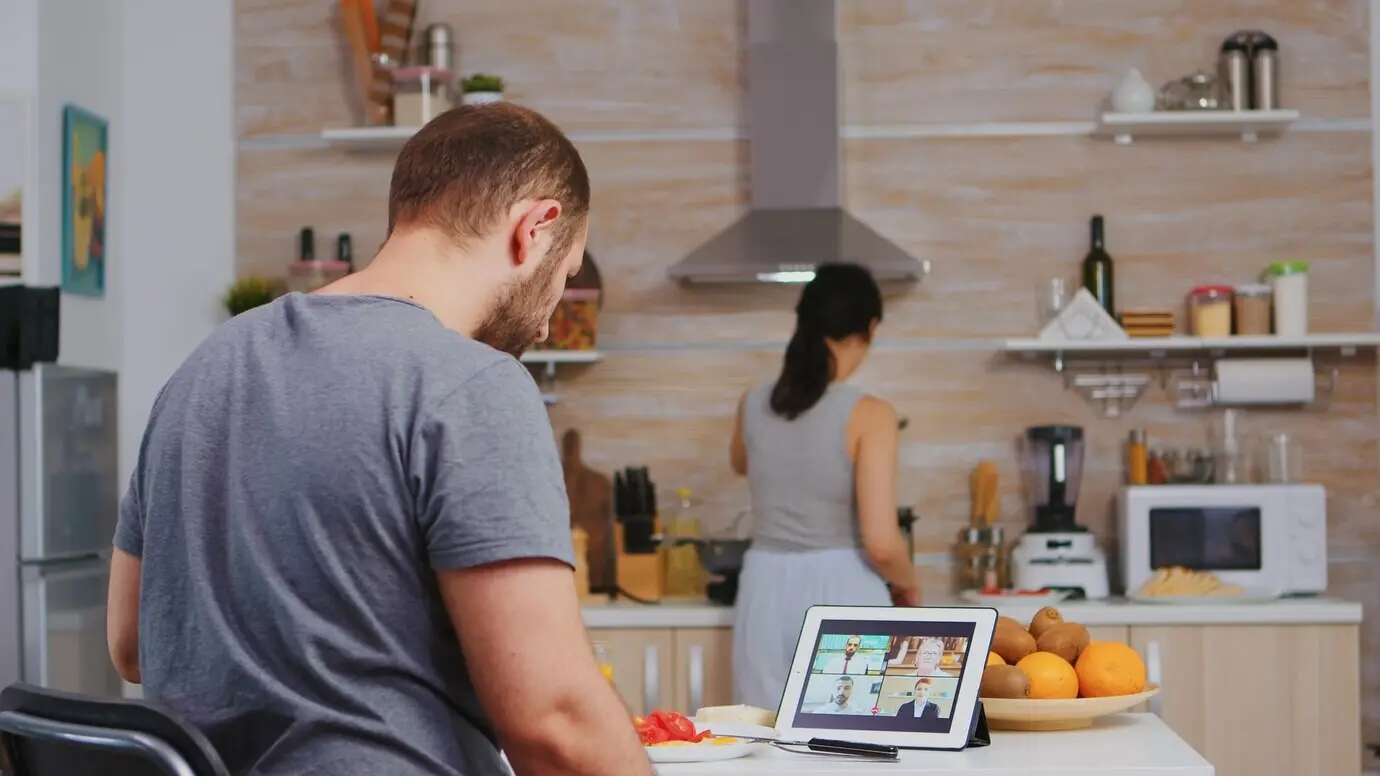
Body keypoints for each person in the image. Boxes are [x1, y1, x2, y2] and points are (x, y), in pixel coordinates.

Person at [105, 103, 653, 776]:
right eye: (564, 281)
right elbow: (554, 724)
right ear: (534, 228)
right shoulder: (472, 384)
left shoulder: (202, 369)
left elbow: (131, 644)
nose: (545, 327)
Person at [729, 263, 921, 711]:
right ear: (870, 328)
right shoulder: (871, 414)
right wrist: (909, 586)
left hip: (763, 588)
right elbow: (882, 543)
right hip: (844, 588)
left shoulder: (753, 402)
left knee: (764, 737)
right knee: (849, 741)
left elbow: (741, 463)